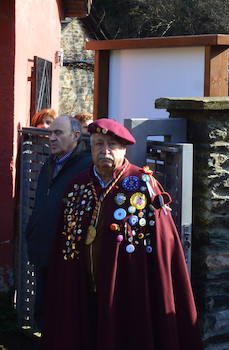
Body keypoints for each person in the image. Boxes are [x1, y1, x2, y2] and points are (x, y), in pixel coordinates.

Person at [43, 119, 201, 350]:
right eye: (99, 144)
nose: (104, 150)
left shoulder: (143, 185)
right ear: (91, 147)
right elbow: (63, 241)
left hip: (128, 291)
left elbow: (164, 244)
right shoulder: (77, 185)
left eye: (112, 145)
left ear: (124, 149)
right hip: (82, 288)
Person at [24, 115, 93, 331]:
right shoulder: (49, 163)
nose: (52, 138)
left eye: (58, 133)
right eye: (50, 133)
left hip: (66, 255)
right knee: (42, 310)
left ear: (76, 135)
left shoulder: (86, 166)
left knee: (63, 314)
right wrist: (32, 231)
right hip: (42, 250)